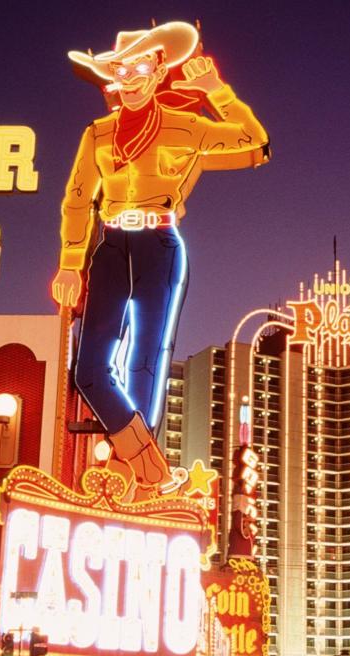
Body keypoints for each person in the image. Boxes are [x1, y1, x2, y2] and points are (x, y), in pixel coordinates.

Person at [54, 21, 270, 492]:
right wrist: (71, 262)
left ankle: (136, 473)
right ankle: (148, 463)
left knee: (145, 362)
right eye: (120, 68)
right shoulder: (97, 134)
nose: (129, 76)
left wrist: (218, 91)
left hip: (161, 246)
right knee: (89, 369)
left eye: (138, 66)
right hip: (109, 246)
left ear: (156, 72)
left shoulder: (186, 127)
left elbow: (256, 144)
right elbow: (77, 198)